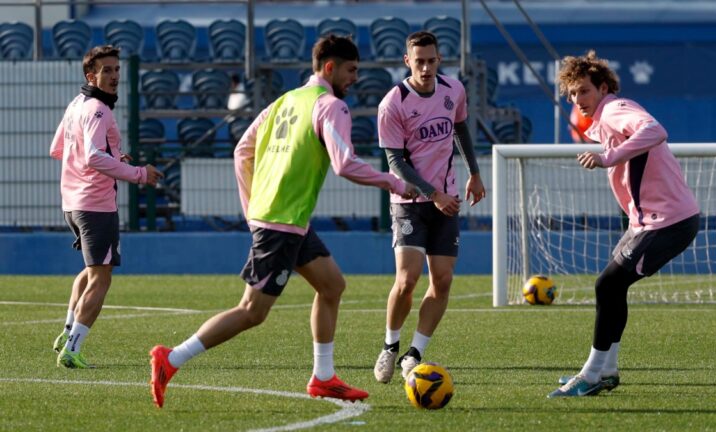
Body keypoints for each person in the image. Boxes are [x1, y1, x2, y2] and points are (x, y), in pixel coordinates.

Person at [149, 35, 416, 408]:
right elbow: (344, 163)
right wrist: (396, 183)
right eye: (351, 70)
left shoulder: (285, 101)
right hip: (281, 223)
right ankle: (171, 359)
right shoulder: (330, 106)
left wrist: (252, 206)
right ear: (329, 68)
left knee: (332, 286)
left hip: (285, 220)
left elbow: (242, 149)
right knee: (252, 312)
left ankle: (323, 377)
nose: (355, 78)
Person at [549, 50, 700, 397]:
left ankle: (590, 374)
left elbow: (655, 129)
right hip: (648, 222)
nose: (578, 100)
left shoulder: (616, 109)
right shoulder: (604, 119)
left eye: (584, 91)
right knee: (612, 288)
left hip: (668, 222)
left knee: (607, 286)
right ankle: (608, 369)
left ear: (603, 88)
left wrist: (609, 157)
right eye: (572, 94)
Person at [372, 31, 486, 384]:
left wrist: (474, 174)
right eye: (418, 61)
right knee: (407, 280)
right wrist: (433, 193)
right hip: (409, 203)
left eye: (431, 60)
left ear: (440, 60)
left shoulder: (454, 91)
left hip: (446, 199)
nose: (425, 67)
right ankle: (390, 346)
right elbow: (395, 161)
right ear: (407, 61)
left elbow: (461, 129)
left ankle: (415, 353)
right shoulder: (393, 103)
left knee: (444, 279)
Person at [49, 45, 164, 369]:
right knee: (102, 277)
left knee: (90, 271)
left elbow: (58, 147)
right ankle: (72, 348)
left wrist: (113, 156)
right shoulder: (100, 110)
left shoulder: (77, 104)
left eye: (116, 69)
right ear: (91, 75)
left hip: (71, 203)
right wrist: (139, 174)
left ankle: (67, 333)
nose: (114, 76)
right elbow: (93, 157)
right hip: (95, 205)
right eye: (106, 71)